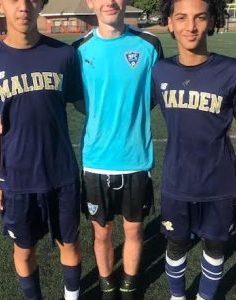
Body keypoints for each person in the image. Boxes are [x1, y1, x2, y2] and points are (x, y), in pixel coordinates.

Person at [0, 1, 83, 299]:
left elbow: (84, 104)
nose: (23, 6)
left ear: (42, 4)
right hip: (17, 179)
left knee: (69, 244)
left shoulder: (65, 55)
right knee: (23, 249)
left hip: (62, 173)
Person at [152, 0, 236, 299]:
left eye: (200, 17)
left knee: (215, 244)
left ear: (212, 21)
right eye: (182, 18)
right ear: (169, 23)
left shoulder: (232, 70)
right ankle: (177, 296)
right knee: (175, 244)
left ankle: (204, 297)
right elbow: (130, 108)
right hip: (176, 182)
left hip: (219, 182)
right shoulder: (160, 71)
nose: (191, 26)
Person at [72, 0, 163, 299]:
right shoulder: (78, 49)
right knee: (102, 233)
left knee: (135, 231)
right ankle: (107, 286)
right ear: (90, 2)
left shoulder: (149, 44)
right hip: (96, 162)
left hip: (136, 160)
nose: (109, 2)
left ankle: (128, 287)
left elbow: (153, 96)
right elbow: (79, 102)